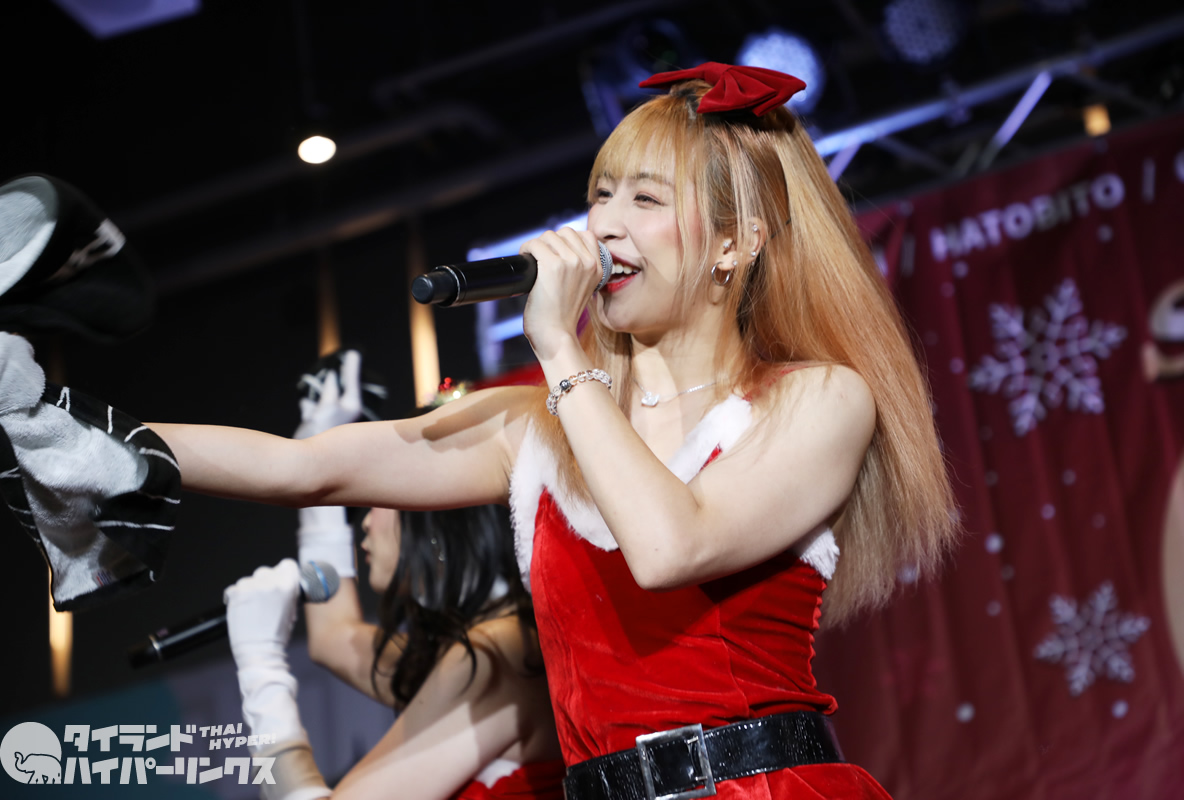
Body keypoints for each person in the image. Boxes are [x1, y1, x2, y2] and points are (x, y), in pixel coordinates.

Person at [60, 61, 955, 798]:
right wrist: (76, 435)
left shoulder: (817, 400)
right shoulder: (539, 426)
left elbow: (671, 547)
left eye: (645, 199)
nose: (603, 225)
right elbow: (305, 469)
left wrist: (561, 350)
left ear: (735, 243)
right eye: (601, 194)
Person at [223, 358, 563, 800]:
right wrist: (315, 457)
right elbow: (333, 637)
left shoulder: (496, 653)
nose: (365, 520)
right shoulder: (499, 644)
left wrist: (260, 668)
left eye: (380, 491)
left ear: (438, 508)